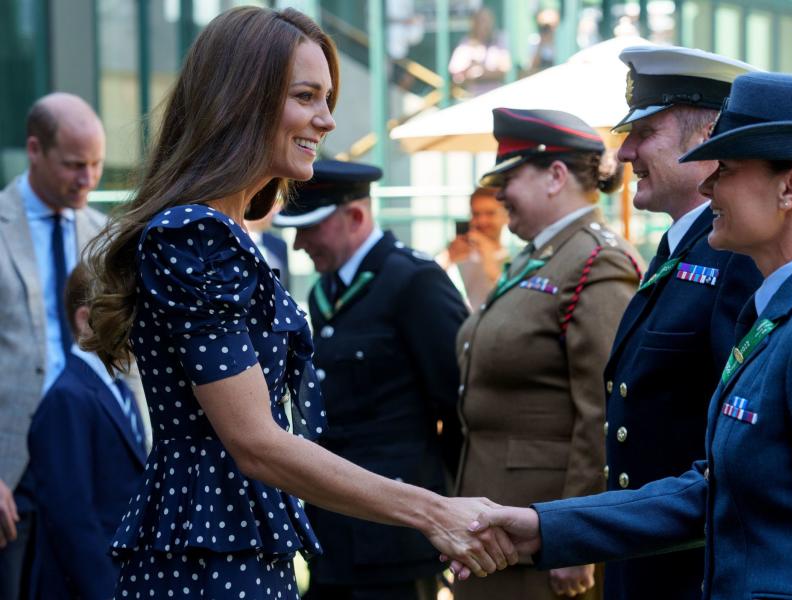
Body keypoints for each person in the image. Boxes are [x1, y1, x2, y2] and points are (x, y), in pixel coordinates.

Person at [466, 72, 792, 599]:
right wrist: (545, 527)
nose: (705, 186)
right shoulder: (783, 313)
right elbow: (716, 487)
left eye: (724, 169)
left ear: (791, 188)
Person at [82, 7, 515, 599]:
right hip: (210, 555)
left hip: (233, 542)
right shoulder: (195, 233)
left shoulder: (223, 233)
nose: (327, 120)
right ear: (241, 101)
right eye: (307, 96)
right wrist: (433, 511)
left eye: (328, 98)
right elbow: (257, 441)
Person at [453, 107, 641, 600]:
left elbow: (603, 410)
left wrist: (576, 537)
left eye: (510, 178)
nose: (499, 195)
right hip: (498, 528)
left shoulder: (597, 260)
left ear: (556, 176)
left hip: (543, 538)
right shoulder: (540, 254)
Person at [599, 45, 761, 600]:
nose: (625, 153)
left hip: (689, 572)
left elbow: (731, 449)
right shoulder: (683, 249)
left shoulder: (735, 257)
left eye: (644, 131)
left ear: (708, 134)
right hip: (643, 562)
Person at [273, 159, 468, 600]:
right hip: (334, 529)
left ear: (356, 217)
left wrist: (454, 509)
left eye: (310, 228)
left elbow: (458, 406)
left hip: (395, 539)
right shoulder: (328, 291)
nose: (299, 243)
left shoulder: (414, 282)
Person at [0, 92, 108, 598]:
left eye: (96, 164)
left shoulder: (103, 235)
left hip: (92, 466)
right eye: (73, 165)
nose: (87, 179)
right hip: (10, 472)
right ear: (34, 151)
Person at [26, 262, 146, 599]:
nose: (138, 324)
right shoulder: (69, 398)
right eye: (126, 312)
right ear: (86, 321)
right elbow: (72, 518)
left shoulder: (118, 390)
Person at [437, 186, 508, 310]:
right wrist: (448, 258)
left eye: (490, 213)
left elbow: (512, 298)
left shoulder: (517, 255)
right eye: (476, 214)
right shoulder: (458, 252)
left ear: (506, 216)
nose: (482, 221)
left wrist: (489, 258)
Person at [447, 7, 510, 96]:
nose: (485, 25)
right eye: (481, 21)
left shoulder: (500, 39)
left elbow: (508, 70)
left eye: (487, 20)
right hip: (473, 98)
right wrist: (470, 73)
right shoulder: (465, 44)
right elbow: (457, 76)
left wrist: (483, 73)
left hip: (499, 95)